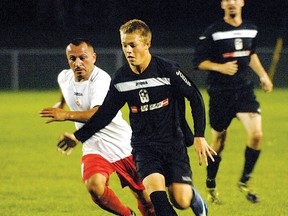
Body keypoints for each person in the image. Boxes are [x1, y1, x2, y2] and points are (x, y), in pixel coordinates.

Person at [56, 19, 217, 216]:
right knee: (157, 200)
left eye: (133, 45)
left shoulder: (167, 70)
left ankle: (193, 197)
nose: (128, 51)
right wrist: (77, 137)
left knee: (180, 200)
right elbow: (104, 114)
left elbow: (195, 97)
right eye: (124, 45)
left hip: (173, 144)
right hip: (144, 148)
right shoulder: (121, 79)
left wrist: (199, 135)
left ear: (147, 44)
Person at [40, 38, 155, 216]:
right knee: (94, 186)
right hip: (94, 146)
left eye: (82, 57)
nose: (77, 63)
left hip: (123, 145)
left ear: (93, 57)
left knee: (145, 197)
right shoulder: (64, 76)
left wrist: (67, 115)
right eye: (72, 58)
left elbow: (98, 113)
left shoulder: (101, 80)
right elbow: (65, 87)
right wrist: (61, 104)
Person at [193, 0, 273, 204]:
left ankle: (244, 181)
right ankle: (211, 182)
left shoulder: (251, 30)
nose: (231, 3)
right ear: (222, 5)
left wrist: (263, 75)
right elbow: (198, 62)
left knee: (256, 134)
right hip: (220, 94)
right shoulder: (213, 32)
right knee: (219, 143)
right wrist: (220, 67)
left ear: (242, 3)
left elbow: (251, 54)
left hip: (244, 92)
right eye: (227, 0)